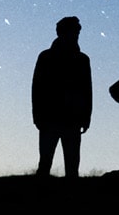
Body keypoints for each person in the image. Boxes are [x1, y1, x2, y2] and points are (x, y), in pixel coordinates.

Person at [31, 16, 93, 177]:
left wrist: (86, 117)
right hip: (49, 119)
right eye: (73, 32)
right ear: (62, 33)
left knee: (72, 168)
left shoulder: (82, 60)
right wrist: (37, 117)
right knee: (45, 164)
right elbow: (37, 88)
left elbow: (87, 91)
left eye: (77, 32)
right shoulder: (45, 57)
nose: (76, 35)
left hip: (72, 120)